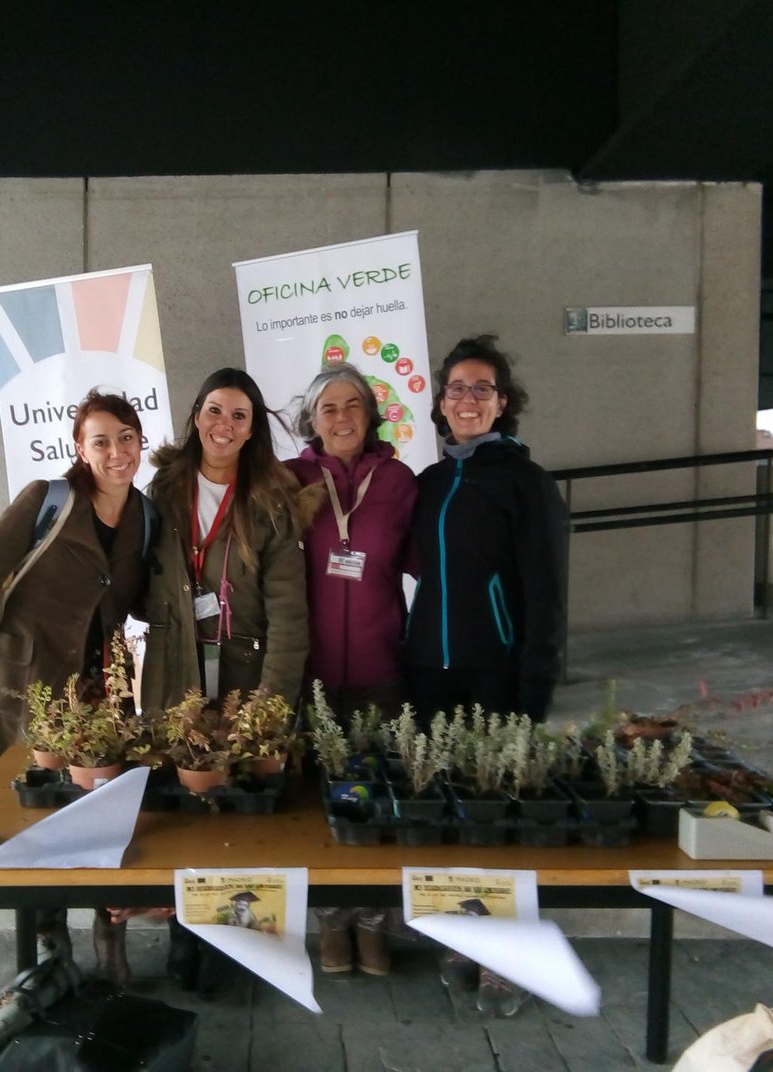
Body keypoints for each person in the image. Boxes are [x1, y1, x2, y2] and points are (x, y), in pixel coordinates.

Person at [0, 387, 152, 986]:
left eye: (126, 438)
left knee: (97, 815)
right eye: (101, 441)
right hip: (19, 686)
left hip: (97, 695)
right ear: (80, 449)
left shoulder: (144, 514)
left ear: (140, 443)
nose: (116, 452)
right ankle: (48, 936)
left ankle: (109, 935)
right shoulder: (48, 499)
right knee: (32, 816)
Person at [403, 334, 567, 1018]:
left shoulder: (526, 483)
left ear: (503, 404)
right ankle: (460, 938)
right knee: (444, 810)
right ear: (440, 405)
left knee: (499, 818)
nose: (467, 400)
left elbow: (547, 591)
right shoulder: (430, 483)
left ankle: (509, 955)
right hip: (427, 674)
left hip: (497, 674)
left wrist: (536, 684)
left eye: (481, 389)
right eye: (456, 390)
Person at [134, 366, 308, 997]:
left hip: (244, 671)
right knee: (183, 814)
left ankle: (243, 945)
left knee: (241, 815)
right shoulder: (164, 488)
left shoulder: (271, 499)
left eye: (239, 414)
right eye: (214, 410)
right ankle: (187, 937)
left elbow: (290, 611)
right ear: (195, 417)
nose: (224, 425)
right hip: (177, 669)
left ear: (253, 426)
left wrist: (271, 703)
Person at [286, 363, 417, 977]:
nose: (341, 417)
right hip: (308, 671)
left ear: (370, 414)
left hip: (379, 667)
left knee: (373, 797)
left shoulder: (398, 480)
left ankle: (372, 922)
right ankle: (331, 922)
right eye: (328, 407)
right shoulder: (290, 480)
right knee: (318, 802)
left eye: (352, 405)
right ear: (311, 420)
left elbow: (430, 564)